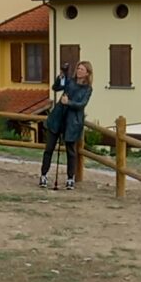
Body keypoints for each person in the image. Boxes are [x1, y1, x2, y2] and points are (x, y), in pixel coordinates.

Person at [42, 57, 91, 189]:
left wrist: (68, 102)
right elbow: (56, 87)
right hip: (58, 117)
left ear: (87, 73)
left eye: (82, 69)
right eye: (78, 68)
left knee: (71, 151)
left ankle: (70, 178)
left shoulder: (87, 89)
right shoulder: (69, 81)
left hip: (72, 122)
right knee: (49, 148)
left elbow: (82, 104)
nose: (79, 71)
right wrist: (62, 75)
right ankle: (43, 175)